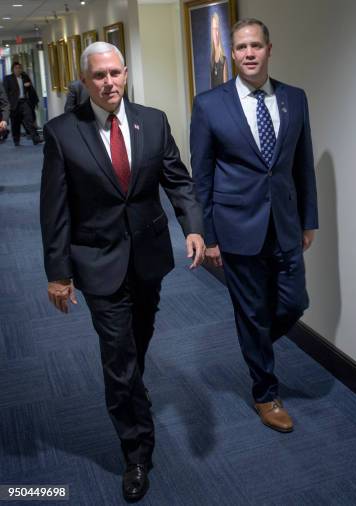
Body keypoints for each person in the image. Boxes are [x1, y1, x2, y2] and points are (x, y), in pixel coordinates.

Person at [40, 42, 205, 502]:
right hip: (97, 262)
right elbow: (53, 212)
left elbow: (178, 179)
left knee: (137, 340)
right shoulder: (61, 133)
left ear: (126, 72)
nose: (109, 82)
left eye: (115, 73)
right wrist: (58, 272)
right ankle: (136, 450)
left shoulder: (152, 121)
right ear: (85, 80)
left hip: (148, 258)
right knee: (117, 356)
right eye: (99, 76)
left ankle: (133, 387)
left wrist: (192, 227)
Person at [191, 18, 318, 433]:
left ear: (268, 49)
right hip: (236, 227)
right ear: (233, 54)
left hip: (284, 224)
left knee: (294, 303)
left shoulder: (294, 99)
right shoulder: (210, 104)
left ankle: (255, 341)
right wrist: (209, 236)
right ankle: (265, 392)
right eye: (241, 47)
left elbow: (302, 166)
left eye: (255, 46)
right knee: (251, 312)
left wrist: (308, 221)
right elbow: (203, 175)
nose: (248, 53)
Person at [3, 61, 41, 146]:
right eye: (16, 68)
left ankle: (36, 138)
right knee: (15, 123)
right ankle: (16, 140)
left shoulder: (25, 77)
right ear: (13, 69)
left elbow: (31, 89)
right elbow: (5, 92)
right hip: (14, 104)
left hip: (24, 102)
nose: (18, 70)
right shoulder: (8, 78)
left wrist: (29, 86)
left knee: (29, 119)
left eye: (19, 68)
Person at [210, 12, 228, 88]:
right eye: (214, 29)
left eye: (217, 29)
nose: (216, 33)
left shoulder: (224, 60)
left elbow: (225, 89)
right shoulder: (211, 59)